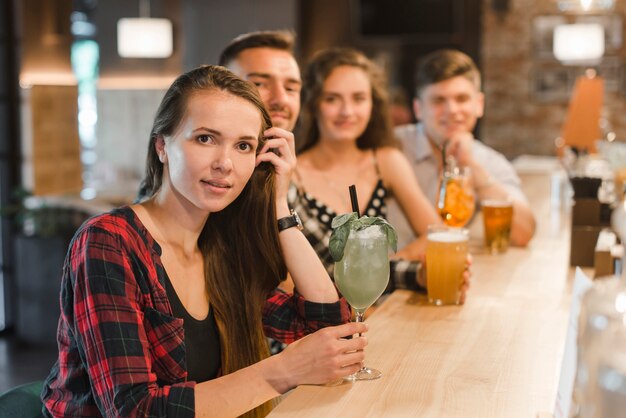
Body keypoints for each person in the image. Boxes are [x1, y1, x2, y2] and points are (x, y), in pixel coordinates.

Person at [41, 65, 368, 418]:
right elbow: (133, 411)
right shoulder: (108, 241)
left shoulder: (221, 245)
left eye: (244, 146)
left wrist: (279, 205)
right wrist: (283, 371)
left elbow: (328, 332)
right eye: (205, 139)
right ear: (162, 146)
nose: (225, 164)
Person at [292, 46, 455, 293]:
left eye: (358, 98)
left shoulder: (386, 161)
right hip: (322, 320)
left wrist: (383, 266)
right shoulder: (291, 174)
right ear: (313, 104)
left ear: (373, 104)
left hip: (384, 310)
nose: (347, 111)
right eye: (332, 99)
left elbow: (436, 234)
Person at [388, 49, 536, 253]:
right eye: (439, 101)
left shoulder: (489, 161)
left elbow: (522, 233)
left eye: (462, 98)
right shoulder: (392, 146)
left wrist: (471, 167)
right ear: (418, 109)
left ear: (479, 105)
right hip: (392, 275)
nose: (452, 110)